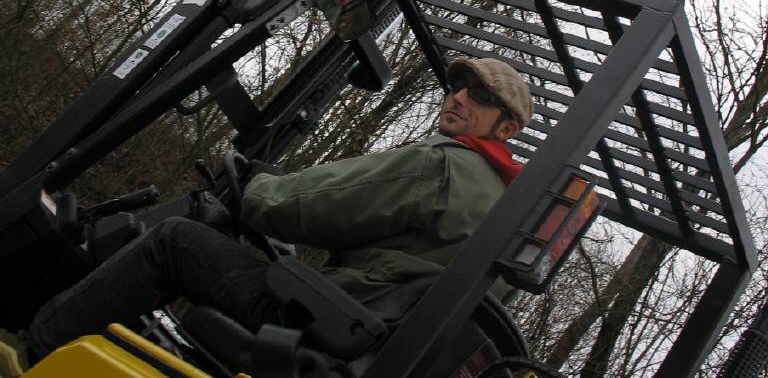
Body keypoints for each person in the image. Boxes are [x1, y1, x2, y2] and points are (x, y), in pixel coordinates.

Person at [18, 56, 532, 368]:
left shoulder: (443, 164)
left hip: (327, 328)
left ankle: (34, 351)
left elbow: (302, 206)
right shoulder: (506, 218)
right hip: (361, 339)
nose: (458, 97)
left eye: (479, 96)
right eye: (457, 86)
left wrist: (259, 186)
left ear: (506, 129)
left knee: (175, 240)